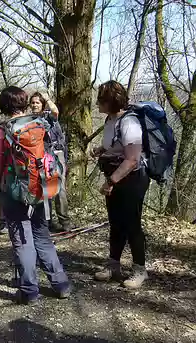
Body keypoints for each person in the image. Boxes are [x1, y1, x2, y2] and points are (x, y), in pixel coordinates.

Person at [0, 86, 71, 304]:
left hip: (14, 191)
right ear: (24, 103)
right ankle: (61, 284)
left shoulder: (1, 131)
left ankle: (29, 291)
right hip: (40, 187)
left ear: (4, 106)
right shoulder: (39, 123)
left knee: (23, 241)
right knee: (42, 237)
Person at [91, 80, 150, 289]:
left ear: (111, 101)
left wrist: (110, 182)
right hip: (116, 176)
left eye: (101, 100)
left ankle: (139, 270)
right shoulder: (110, 120)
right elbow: (117, 147)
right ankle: (113, 265)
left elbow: (132, 158)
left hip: (133, 178)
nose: (97, 103)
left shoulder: (129, 122)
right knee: (115, 222)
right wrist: (101, 150)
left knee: (131, 223)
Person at [30, 91, 71, 232]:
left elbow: (55, 111)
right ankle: (47, 221)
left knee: (59, 189)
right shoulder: (30, 120)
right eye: (33, 102)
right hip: (40, 156)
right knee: (44, 190)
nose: (35, 105)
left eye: (37, 102)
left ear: (42, 104)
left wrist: (47, 98)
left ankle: (64, 221)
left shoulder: (49, 116)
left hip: (55, 154)